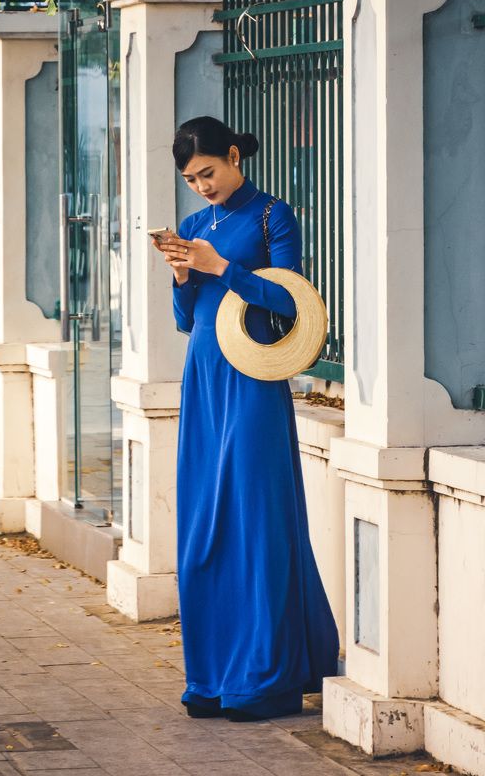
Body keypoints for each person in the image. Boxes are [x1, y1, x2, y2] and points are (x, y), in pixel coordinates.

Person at [153, 116, 338, 722]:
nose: (201, 186)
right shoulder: (191, 226)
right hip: (203, 377)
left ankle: (268, 679)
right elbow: (187, 318)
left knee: (256, 521)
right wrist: (183, 275)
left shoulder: (271, 216)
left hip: (255, 379)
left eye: (208, 171)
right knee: (204, 527)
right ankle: (210, 677)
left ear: (234, 155)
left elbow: (292, 304)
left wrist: (220, 267)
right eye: (191, 179)